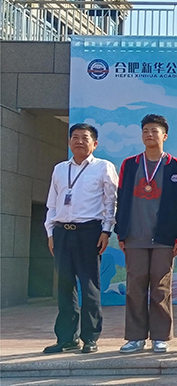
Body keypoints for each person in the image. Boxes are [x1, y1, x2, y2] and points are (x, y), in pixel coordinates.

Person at [115, 114, 177, 354]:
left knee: (161, 288)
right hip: (135, 236)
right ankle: (135, 337)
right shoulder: (130, 164)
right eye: (145, 131)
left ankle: (160, 336)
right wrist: (121, 232)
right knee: (135, 287)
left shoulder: (176, 166)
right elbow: (121, 199)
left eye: (154, 131)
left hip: (164, 238)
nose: (149, 134)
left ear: (164, 136)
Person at [43, 123, 118, 354]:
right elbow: (52, 204)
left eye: (85, 138)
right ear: (69, 142)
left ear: (95, 143)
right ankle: (67, 338)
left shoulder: (103, 167)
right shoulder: (59, 169)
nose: (79, 141)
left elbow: (111, 202)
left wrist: (106, 231)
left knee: (89, 285)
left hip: (90, 232)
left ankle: (90, 338)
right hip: (62, 232)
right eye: (74, 137)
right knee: (65, 286)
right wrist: (50, 232)